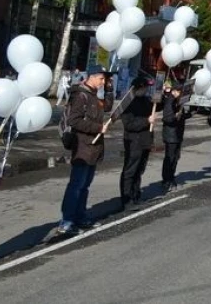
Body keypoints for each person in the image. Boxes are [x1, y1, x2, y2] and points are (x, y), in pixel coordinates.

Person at [56, 66, 113, 236]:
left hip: (93, 147)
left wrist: (109, 90)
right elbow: (74, 121)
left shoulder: (94, 95)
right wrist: (97, 128)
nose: (103, 83)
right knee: (76, 185)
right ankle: (67, 220)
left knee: (85, 186)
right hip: (82, 146)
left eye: (105, 80)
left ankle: (80, 215)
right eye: (102, 79)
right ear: (92, 77)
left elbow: (107, 107)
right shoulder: (80, 95)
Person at [119, 78, 155, 211]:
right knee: (130, 170)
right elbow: (129, 125)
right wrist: (147, 120)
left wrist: (165, 95)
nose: (146, 90)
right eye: (144, 87)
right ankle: (126, 199)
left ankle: (135, 195)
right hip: (133, 141)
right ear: (138, 88)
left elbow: (157, 104)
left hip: (145, 141)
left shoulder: (145, 100)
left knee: (139, 170)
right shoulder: (128, 103)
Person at [161, 84, 189, 193]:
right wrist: (175, 117)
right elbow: (167, 118)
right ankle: (166, 180)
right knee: (170, 158)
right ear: (175, 91)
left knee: (175, 158)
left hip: (177, 134)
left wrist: (189, 114)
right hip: (171, 135)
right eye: (181, 92)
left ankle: (171, 178)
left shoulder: (178, 101)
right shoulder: (170, 101)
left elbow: (181, 115)